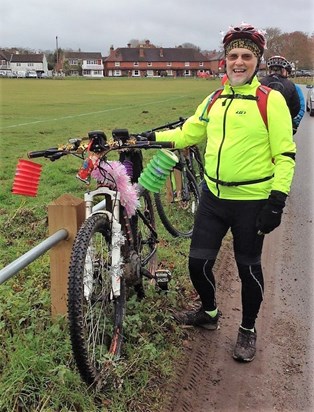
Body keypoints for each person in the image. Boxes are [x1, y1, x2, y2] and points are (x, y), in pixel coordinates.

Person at [142, 23, 296, 362]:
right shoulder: (214, 99)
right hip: (213, 199)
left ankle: (247, 330)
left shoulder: (269, 102)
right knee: (197, 264)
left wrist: (277, 199)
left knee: (248, 270)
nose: (238, 62)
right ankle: (209, 313)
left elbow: (284, 155)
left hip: (251, 202)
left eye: (245, 56)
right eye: (232, 56)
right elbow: (186, 134)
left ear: (257, 61)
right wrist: (149, 138)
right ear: (224, 61)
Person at [260, 55, 301, 132]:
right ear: (283, 70)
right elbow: (296, 107)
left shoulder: (260, 83)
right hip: (282, 124)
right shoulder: (290, 84)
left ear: (270, 70)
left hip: (262, 124)